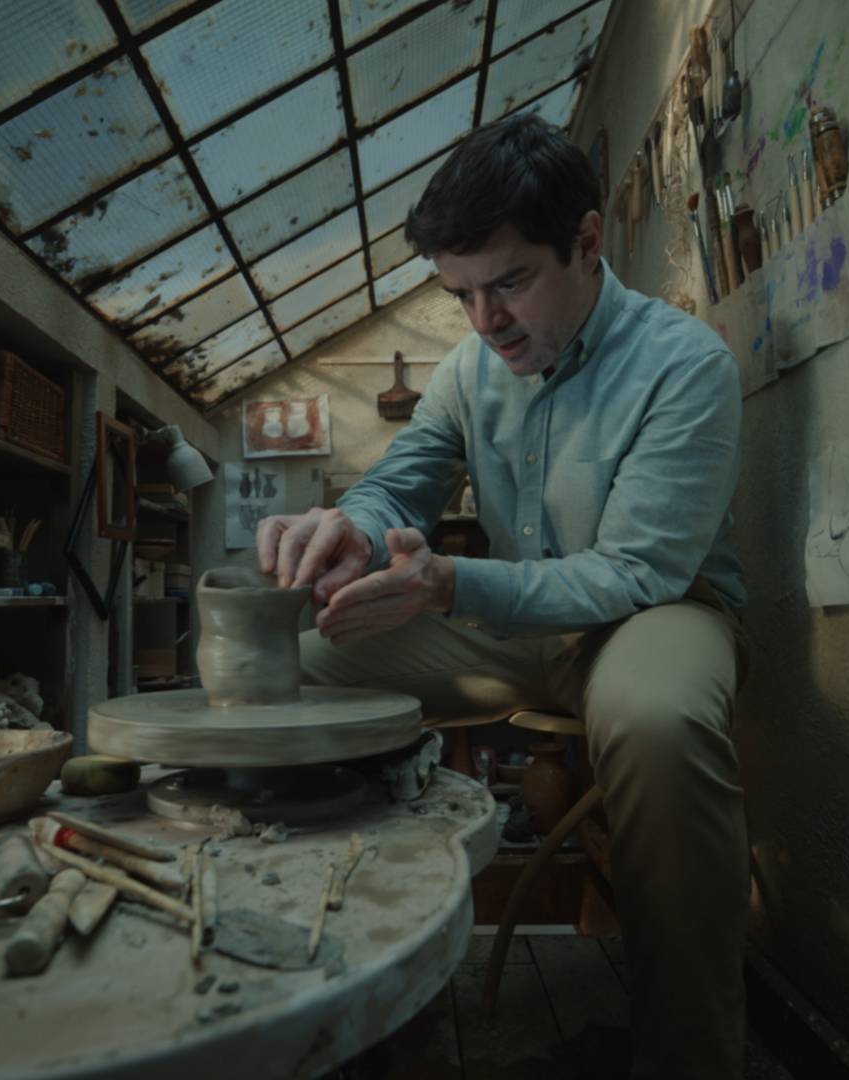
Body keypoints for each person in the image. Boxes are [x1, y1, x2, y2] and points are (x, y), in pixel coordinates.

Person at [257, 113, 749, 1079]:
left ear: (588, 241)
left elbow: (635, 571)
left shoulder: (685, 364)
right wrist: (352, 528)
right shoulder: (467, 370)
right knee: (281, 668)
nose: (486, 322)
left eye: (511, 282)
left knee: (657, 719)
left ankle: (688, 1057)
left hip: (653, 616)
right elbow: (401, 483)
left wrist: (448, 584)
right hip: (518, 624)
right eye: (461, 295)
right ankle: (322, 977)